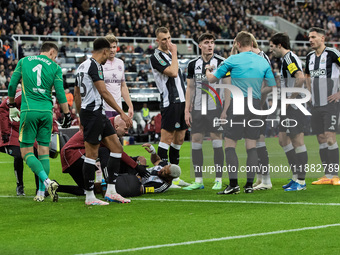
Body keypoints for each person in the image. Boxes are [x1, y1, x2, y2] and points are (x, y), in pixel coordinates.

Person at [206, 31, 276, 194]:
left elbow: (211, 80)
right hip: (255, 104)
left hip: (238, 103)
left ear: (237, 44)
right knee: (251, 144)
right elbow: (272, 86)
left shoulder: (232, 59)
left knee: (230, 144)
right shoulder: (263, 61)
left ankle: (233, 185)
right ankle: (249, 185)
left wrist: (208, 69)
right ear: (252, 44)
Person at [7, 42, 72, 202]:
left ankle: (47, 181)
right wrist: (67, 114)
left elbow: (11, 85)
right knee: (43, 152)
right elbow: (61, 93)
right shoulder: (55, 68)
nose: (55, 59)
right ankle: (41, 194)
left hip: (29, 111)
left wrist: (11, 104)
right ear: (51, 52)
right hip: (46, 113)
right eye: (55, 56)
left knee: (26, 152)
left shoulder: (24, 61)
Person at [73, 37, 133, 206]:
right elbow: (104, 92)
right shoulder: (95, 66)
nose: (109, 56)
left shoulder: (81, 66)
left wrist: (80, 117)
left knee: (116, 147)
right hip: (93, 114)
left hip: (93, 113)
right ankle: (90, 196)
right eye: (109, 52)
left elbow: (77, 94)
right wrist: (123, 113)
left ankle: (111, 191)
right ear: (105, 51)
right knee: (91, 155)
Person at [59, 116, 149, 195]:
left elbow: (118, 153)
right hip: (72, 153)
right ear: (116, 127)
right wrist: (136, 166)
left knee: (88, 190)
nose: (126, 132)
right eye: (125, 129)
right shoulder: (105, 128)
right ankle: (110, 186)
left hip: (72, 155)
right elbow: (118, 152)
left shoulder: (107, 125)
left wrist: (133, 161)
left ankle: (57, 187)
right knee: (104, 151)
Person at [184, 33, 226, 190]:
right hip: (197, 109)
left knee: (216, 141)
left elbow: (227, 86)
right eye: (207, 42)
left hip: (216, 108)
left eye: (212, 42)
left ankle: (218, 179)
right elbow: (190, 87)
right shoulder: (192, 64)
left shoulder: (222, 63)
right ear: (200, 45)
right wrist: (187, 110)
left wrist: (226, 109)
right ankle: (199, 181)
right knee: (196, 142)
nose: (210, 45)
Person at [269, 33, 308, 191]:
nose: (271, 50)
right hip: (288, 105)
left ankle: (301, 181)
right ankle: (295, 176)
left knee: (298, 141)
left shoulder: (289, 58)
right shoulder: (285, 59)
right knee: (283, 140)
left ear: (279, 45)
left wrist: (290, 99)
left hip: (295, 106)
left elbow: (300, 78)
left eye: (272, 46)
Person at [150, 27, 188, 186]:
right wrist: (174, 53)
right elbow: (172, 72)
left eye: (169, 38)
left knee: (179, 139)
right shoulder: (156, 56)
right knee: (166, 138)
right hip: (170, 102)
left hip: (182, 101)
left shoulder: (169, 55)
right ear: (157, 41)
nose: (167, 42)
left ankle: (175, 177)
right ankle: (165, 177)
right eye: (163, 39)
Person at [305, 27, 340, 185]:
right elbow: (307, 75)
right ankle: (328, 175)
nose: (310, 40)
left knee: (330, 138)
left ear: (322, 38)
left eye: (313, 37)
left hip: (330, 104)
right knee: (321, 139)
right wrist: (309, 92)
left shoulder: (332, 54)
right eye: (309, 38)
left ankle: (335, 175)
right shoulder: (310, 57)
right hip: (316, 105)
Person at [103, 34, 134, 118]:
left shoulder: (120, 63)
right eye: (110, 47)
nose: (112, 50)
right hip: (104, 109)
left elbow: (123, 86)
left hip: (118, 109)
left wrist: (130, 106)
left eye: (114, 47)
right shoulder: (100, 63)